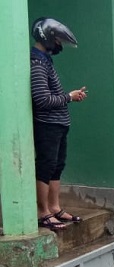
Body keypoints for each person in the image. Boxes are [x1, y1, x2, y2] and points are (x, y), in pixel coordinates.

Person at [30, 17, 88, 231]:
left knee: (57, 166)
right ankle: (42, 212)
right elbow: (42, 100)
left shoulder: (45, 60)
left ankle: (54, 207)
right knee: (46, 167)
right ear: (47, 38)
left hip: (58, 124)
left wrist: (71, 96)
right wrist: (69, 97)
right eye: (57, 40)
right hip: (47, 125)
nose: (59, 45)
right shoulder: (37, 63)